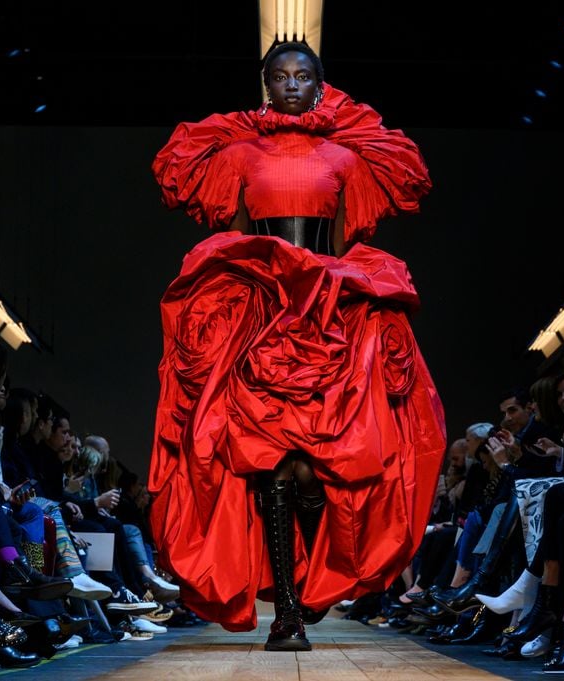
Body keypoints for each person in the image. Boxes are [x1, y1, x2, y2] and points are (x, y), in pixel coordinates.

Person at [148, 40, 446, 651]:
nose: (290, 85)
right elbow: (188, 182)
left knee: (316, 469)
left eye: (302, 76)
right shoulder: (238, 153)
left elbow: (405, 177)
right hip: (261, 307)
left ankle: (309, 586)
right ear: (265, 86)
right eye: (279, 76)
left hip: (327, 308)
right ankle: (286, 610)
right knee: (270, 462)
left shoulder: (345, 155)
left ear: (319, 84)